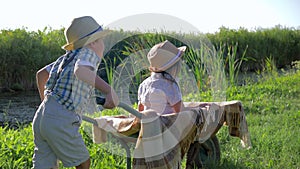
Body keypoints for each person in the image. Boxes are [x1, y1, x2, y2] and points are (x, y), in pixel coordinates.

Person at [32, 16, 119, 169]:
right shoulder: (88, 53)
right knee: (83, 162)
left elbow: (41, 75)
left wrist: (49, 105)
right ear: (93, 42)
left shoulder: (65, 58)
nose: (103, 46)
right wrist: (109, 90)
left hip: (42, 116)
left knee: (44, 165)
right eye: (102, 41)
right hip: (60, 119)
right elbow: (81, 71)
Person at [137, 40, 186, 115]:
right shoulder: (170, 85)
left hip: (149, 125)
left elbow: (140, 109)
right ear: (174, 68)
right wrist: (198, 109)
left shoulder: (144, 84)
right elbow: (180, 111)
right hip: (166, 124)